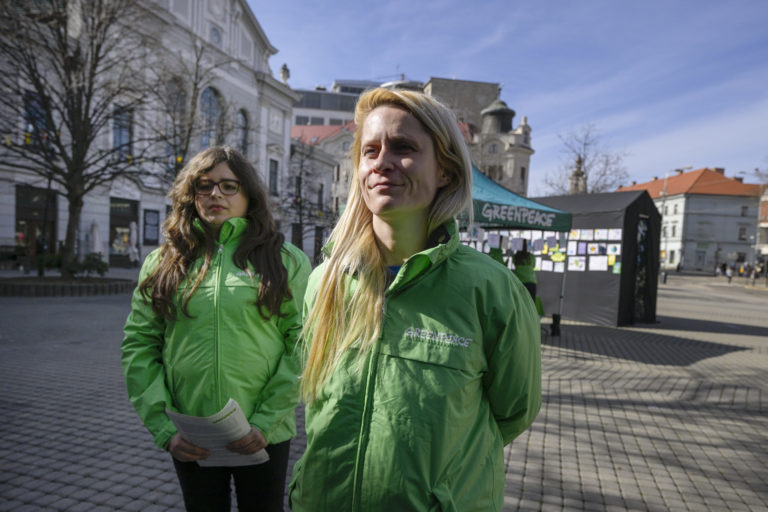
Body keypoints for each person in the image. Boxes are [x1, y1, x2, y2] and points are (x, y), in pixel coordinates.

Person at [288, 88, 541, 512]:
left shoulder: (491, 290)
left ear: (445, 171)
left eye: (403, 148)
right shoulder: (324, 282)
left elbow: (515, 410)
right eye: (370, 151)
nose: (381, 162)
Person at [121, 146, 310, 512]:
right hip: (192, 434)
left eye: (228, 185)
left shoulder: (285, 260)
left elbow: (303, 343)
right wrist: (164, 429)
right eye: (204, 186)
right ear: (191, 195)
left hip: (263, 433)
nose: (215, 194)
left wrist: (265, 422)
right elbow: (139, 346)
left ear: (248, 193)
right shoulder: (164, 262)